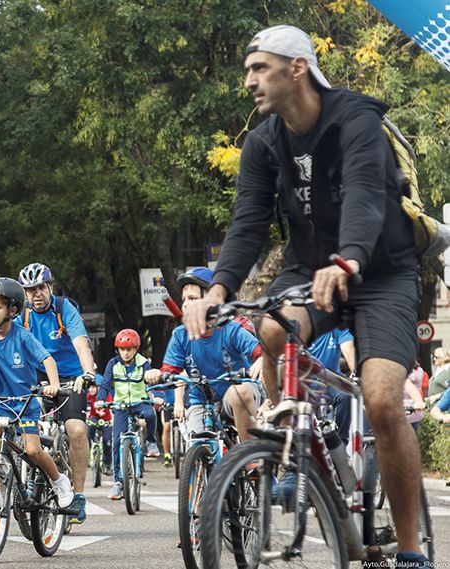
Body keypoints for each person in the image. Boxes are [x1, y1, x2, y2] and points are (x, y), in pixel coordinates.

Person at [182, 25, 427, 567]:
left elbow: (365, 192)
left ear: (297, 69)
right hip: (309, 269)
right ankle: (293, 433)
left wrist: (349, 258)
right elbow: (248, 224)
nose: (249, 81)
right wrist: (217, 290)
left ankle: (411, 549)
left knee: (382, 401)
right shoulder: (263, 142)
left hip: (381, 270)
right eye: (247, 70)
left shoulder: (355, 119)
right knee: (270, 326)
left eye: (259, 68)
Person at [0, 277, 74, 508]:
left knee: (33, 450)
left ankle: (59, 481)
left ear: (12, 311)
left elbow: (48, 360)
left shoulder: (22, 336)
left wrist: (53, 384)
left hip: (25, 403)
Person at [145, 268, 264, 443]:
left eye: (193, 299)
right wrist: (157, 375)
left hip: (235, 395)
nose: (186, 304)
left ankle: (251, 456)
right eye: (184, 299)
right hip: (201, 401)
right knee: (196, 443)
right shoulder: (180, 335)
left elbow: (260, 352)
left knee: (239, 392)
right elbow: (170, 371)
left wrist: (261, 360)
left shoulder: (231, 330)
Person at [16, 262, 95, 522]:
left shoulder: (64, 308)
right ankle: (28, 478)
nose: (36, 294)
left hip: (71, 377)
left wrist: (88, 373)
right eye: (30, 290)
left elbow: (81, 343)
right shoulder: (21, 315)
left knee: (76, 430)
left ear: (50, 287)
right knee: (25, 429)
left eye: (41, 287)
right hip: (37, 376)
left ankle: (79, 494)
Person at [98, 329, 159, 500]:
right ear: (117, 349)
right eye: (122, 349)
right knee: (117, 441)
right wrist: (101, 399)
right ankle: (118, 482)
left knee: (150, 415)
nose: (125, 353)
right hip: (121, 406)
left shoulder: (143, 363)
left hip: (140, 402)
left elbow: (151, 383)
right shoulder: (113, 364)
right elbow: (105, 384)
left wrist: (156, 397)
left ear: (136, 349)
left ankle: (151, 441)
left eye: (129, 349)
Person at [307, 329, 357, 443]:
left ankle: (341, 441)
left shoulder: (337, 328)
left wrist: (355, 373)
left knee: (346, 396)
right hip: (307, 378)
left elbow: (349, 350)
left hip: (332, 379)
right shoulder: (306, 327)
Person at [86, 376, 112, 475]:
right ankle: (89, 449)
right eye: (89, 387)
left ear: (99, 387)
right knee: (90, 427)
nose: (91, 389)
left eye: (93, 387)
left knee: (107, 441)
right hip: (94, 417)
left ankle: (107, 464)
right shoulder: (89, 396)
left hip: (106, 419)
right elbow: (86, 408)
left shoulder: (107, 396)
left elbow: (111, 405)